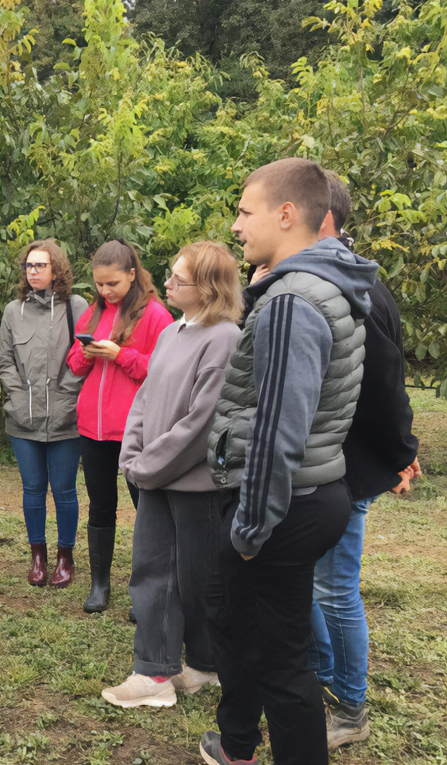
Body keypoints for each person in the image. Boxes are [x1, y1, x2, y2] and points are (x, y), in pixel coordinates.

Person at [200, 158, 377, 765]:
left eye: (245, 211)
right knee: (267, 637)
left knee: (281, 663)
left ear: (285, 213)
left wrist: (249, 530)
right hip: (313, 492)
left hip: (284, 502)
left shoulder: (293, 302)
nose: (237, 224)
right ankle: (237, 745)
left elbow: (280, 430)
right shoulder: (331, 283)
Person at [102, 241, 241, 708]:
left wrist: (147, 466)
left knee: (199, 580)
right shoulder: (172, 332)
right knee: (152, 573)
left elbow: (201, 424)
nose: (166, 284)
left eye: (178, 279)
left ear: (208, 287)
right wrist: (134, 454)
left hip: (194, 486)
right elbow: (144, 400)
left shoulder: (224, 339)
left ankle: (204, 665)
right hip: (156, 478)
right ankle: (154, 674)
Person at [308, 171, 420, 749]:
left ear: (318, 216)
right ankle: (325, 681)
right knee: (313, 583)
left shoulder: (358, 289)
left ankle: (350, 709)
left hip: (346, 468)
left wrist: (402, 452)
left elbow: (384, 382)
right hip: (325, 465)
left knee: (333, 588)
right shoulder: (339, 277)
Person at [65, 240, 172, 612]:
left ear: (132, 275)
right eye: (99, 284)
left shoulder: (156, 315)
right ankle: (100, 585)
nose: (105, 291)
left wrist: (120, 355)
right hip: (92, 429)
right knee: (100, 505)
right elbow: (75, 365)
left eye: (112, 284)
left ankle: (146, 591)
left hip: (135, 429)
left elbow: (162, 371)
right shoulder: (92, 314)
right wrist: (87, 351)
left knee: (147, 509)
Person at [0, 240, 88, 587]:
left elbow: (85, 353)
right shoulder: (13, 311)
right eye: (28, 266)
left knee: (64, 490)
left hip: (66, 417)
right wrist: (18, 399)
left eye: (40, 266)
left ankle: (66, 557)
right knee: (32, 489)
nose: (33, 271)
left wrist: (67, 395)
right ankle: (38, 556)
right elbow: (4, 359)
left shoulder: (75, 306)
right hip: (24, 419)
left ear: (56, 269)